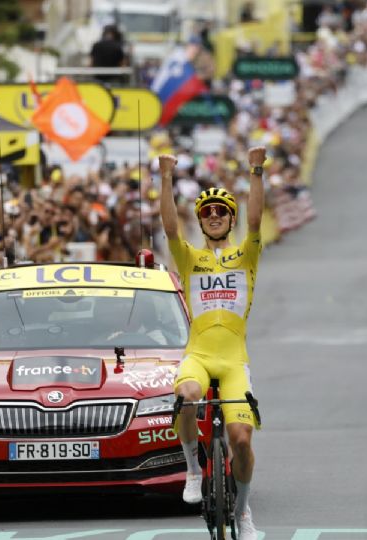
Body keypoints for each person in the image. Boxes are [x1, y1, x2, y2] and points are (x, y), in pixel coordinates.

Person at [159, 146, 266, 540]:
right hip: (200, 356)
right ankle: (191, 469)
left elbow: (256, 221)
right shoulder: (189, 260)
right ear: (201, 222)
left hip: (234, 360)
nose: (215, 215)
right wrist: (166, 177)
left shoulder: (245, 254)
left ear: (230, 218)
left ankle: (243, 512)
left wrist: (256, 170)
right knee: (187, 395)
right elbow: (171, 229)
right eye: (208, 212)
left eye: (222, 211)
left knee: (240, 440)